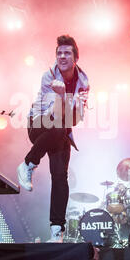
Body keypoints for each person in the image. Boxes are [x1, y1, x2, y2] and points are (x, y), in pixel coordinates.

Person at [17, 35, 90, 243]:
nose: (62, 56)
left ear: (75, 57)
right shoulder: (48, 76)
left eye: (67, 53)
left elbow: (75, 119)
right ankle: (28, 163)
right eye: (59, 53)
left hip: (60, 130)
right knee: (59, 126)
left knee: (60, 176)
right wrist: (62, 96)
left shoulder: (83, 82)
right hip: (38, 124)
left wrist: (64, 95)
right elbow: (54, 116)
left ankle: (57, 231)